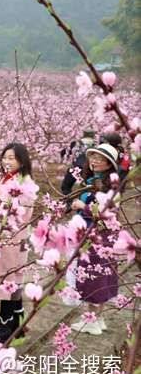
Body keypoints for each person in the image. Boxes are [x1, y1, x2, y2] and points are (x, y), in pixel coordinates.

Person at [0, 143, 36, 343]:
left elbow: (17, 213)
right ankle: (16, 324)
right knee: (11, 279)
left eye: (11, 158)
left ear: (22, 160)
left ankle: (6, 327)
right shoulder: (10, 178)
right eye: (5, 157)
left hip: (12, 237)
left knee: (8, 280)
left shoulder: (25, 184)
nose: (6, 161)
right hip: (6, 236)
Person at [70, 144, 120, 335]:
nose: (94, 160)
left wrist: (83, 206)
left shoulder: (111, 186)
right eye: (92, 156)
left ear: (109, 164)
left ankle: (91, 320)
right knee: (100, 275)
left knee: (94, 276)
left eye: (99, 158)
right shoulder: (94, 180)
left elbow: (108, 213)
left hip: (99, 236)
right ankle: (98, 319)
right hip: (93, 233)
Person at [60, 129, 95, 198]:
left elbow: (63, 152)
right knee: (88, 190)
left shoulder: (76, 143)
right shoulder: (96, 144)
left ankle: (69, 203)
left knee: (66, 186)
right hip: (89, 170)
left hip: (75, 169)